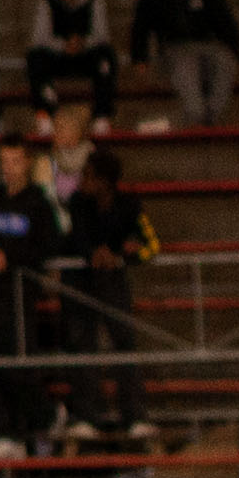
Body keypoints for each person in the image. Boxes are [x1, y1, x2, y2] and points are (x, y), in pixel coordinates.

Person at [54, 145, 157, 446]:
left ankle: (134, 416)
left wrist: (128, 256)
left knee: (124, 343)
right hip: (81, 282)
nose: (82, 183)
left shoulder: (129, 205)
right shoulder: (77, 202)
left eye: (88, 177)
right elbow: (79, 238)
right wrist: (93, 253)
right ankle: (87, 416)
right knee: (82, 345)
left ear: (105, 181)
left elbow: (152, 244)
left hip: (113, 283)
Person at [0, 137, 62, 455]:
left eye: (15, 161)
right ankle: (3, 433)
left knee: (18, 364)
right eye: (4, 161)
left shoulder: (38, 204)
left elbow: (48, 247)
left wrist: (10, 258)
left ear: (27, 163)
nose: (9, 168)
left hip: (20, 295)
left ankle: (43, 418)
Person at [131, 0, 239, 126]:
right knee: (187, 66)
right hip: (174, 49)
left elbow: (224, 20)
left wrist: (237, 53)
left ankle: (213, 115)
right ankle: (195, 114)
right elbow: (140, 28)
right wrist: (139, 58)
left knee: (225, 61)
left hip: (207, 45)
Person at [24, 0, 118, 117]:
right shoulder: (47, 2)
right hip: (58, 57)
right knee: (35, 58)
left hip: (86, 56)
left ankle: (102, 115)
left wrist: (82, 43)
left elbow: (102, 35)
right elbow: (39, 38)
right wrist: (63, 45)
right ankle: (45, 112)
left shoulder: (95, 1)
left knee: (106, 59)